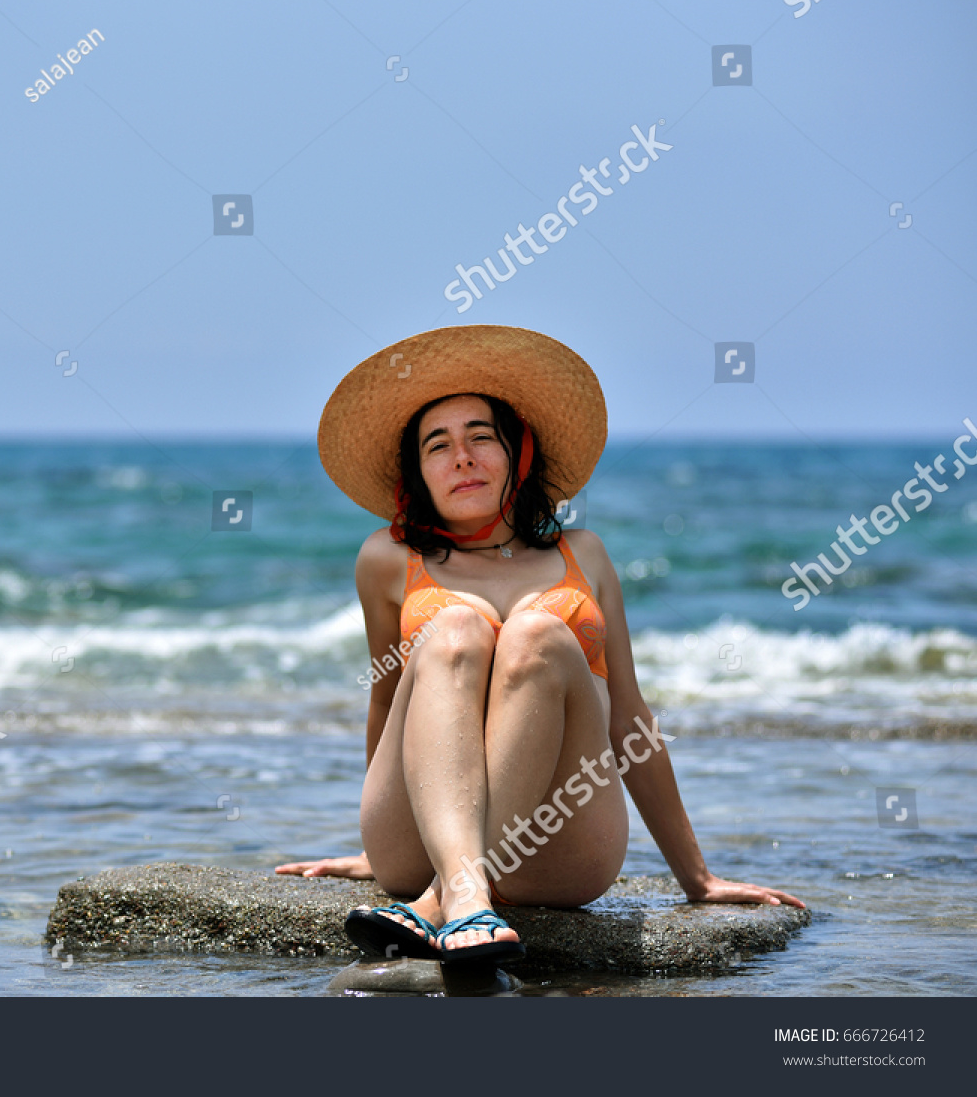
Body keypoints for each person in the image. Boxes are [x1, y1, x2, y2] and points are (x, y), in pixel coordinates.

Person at [276, 325, 804, 964]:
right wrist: (374, 850)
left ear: (517, 455)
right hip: (419, 839)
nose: (462, 458)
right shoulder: (387, 560)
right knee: (455, 626)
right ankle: (459, 889)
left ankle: (448, 897)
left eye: (481, 438)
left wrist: (698, 877)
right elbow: (390, 705)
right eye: (437, 446)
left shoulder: (585, 556)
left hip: (558, 843)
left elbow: (630, 717)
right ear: (417, 473)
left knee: (538, 632)